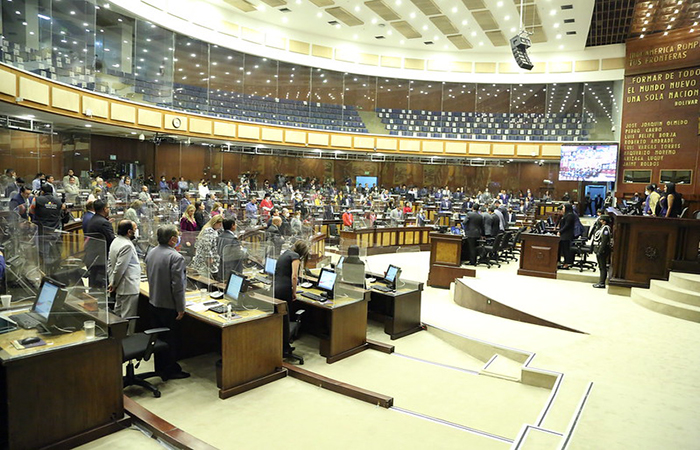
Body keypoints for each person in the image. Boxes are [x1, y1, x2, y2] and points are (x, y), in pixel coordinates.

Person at [145, 225, 189, 380]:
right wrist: (181, 307)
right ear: (172, 239)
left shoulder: (151, 252)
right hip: (169, 305)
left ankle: (161, 367)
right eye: (177, 236)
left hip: (154, 301)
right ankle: (171, 370)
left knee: (159, 338)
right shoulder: (176, 257)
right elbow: (177, 286)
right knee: (171, 339)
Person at [274, 240, 309, 358]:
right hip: (284, 289)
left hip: (276, 287)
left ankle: (281, 345)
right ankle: (285, 347)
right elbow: (294, 276)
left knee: (281, 317)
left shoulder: (285, 253)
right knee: (285, 318)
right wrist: (294, 292)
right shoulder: (295, 257)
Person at [108, 220, 141, 334]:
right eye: (135, 229)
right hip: (128, 287)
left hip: (120, 286)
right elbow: (119, 268)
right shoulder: (127, 245)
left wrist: (112, 282)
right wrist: (114, 283)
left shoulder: (116, 241)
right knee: (128, 318)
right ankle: (128, 341)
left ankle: (116, 339)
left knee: (118, 315)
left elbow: (110, 265)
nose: (136, 232)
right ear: (129, 232)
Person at [84, 200, 115, 288]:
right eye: (108, 208)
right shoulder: (104, 223)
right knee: (101, 285)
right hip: (101, 258)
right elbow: (111, 240)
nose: (109, 209)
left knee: (93, 284)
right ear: (105, 209)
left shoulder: (94, 219)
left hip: (93, 256)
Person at [592, 215, 612, 289]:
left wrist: (600, 251)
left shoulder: (606, 229)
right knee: (600, 266)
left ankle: (602, 283)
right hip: (599, 248)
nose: (599, 221)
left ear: (604, 221)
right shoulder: (601, 228)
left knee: (603, 267)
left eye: (601, 220)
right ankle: (600, 282)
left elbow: (604, 241)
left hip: (603, 250)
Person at [558, 203, 576, 270]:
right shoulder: (566, 215)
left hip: (567, 235)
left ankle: (567, 264)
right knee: (563, 249)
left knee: (566, 250)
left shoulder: (570, 215)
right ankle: (564, 262)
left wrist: (560, 231)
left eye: (563, 207)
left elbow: (567, 226)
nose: (562, 209)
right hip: (564, 235)